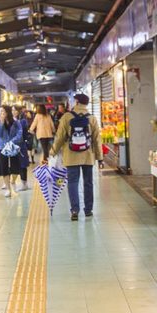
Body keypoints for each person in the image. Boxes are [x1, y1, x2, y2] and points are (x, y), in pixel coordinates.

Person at [51, 93, 102, 221]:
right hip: (88, 155)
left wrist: (52, 152)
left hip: (71, 154)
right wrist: (100, 157)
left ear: (77, 102)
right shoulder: (92, 118)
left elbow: (60, 137)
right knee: (88, 182)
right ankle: (88, 210)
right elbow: (97, 139)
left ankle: (75, 210)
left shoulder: (66, 117)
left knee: (73, 183)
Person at [0, 105, 22, 198]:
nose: (1, 113)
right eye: (0, 111)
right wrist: (1, 123)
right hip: (2, 147)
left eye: (3, 111)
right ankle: (8, 189)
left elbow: (20, 133)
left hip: (13, 146)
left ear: (7, 112)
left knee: (16, 168)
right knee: (4, 169)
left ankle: (13, 181)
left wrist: (12, 141)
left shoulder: (15, 122)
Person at [13, 106, 31, 191]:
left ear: (18, 111)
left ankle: (24, 183)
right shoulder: (11, 120)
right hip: (13, 145)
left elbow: (23, 133)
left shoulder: (22, 121)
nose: (12, 111)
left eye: (14, 110)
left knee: (22, 164)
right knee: (16, 164)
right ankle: (13, 182)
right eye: (12, 110)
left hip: (21, 145)